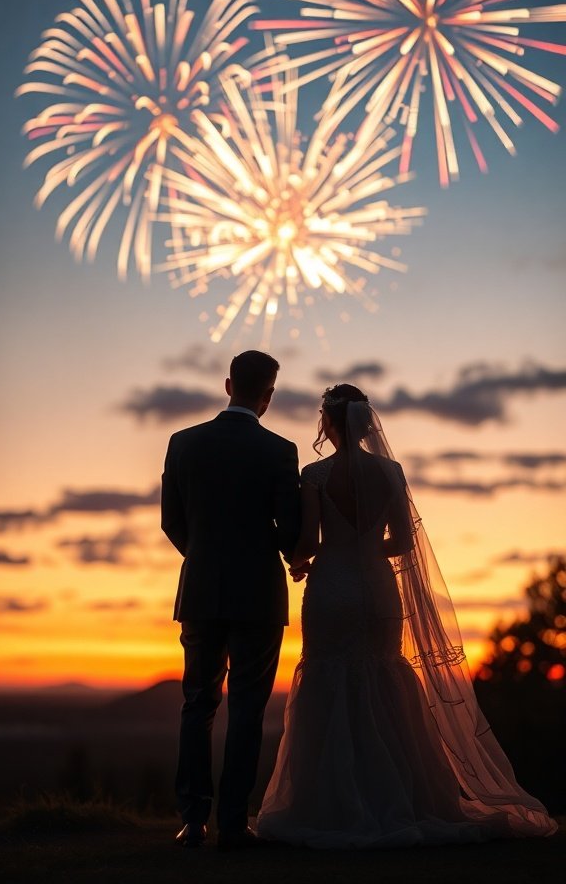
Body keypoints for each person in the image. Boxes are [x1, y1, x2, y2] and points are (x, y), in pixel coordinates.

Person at [257, 383, 557, 848]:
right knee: (385, 679)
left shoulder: (314, 474)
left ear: (329, 423)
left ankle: (333, 803)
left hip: (332, 588)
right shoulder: (390, 472)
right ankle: (404, 797)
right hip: (378, 590)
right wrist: (364, 551)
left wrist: (300, 560)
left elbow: (310, 544)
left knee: (328, 680)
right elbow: (402, 543)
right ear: (365, 422)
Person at [161, 350, 302, 850]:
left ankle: (193, 820)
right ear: (268, 395)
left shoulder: (183, 443)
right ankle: (234, 824)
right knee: (246, 708)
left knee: (197, 704)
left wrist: (202, 558)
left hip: (199, 589)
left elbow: (171, 522)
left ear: (227, 386)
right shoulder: (280, 451)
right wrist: (298, 556)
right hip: (258, 595)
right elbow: (291, 530)